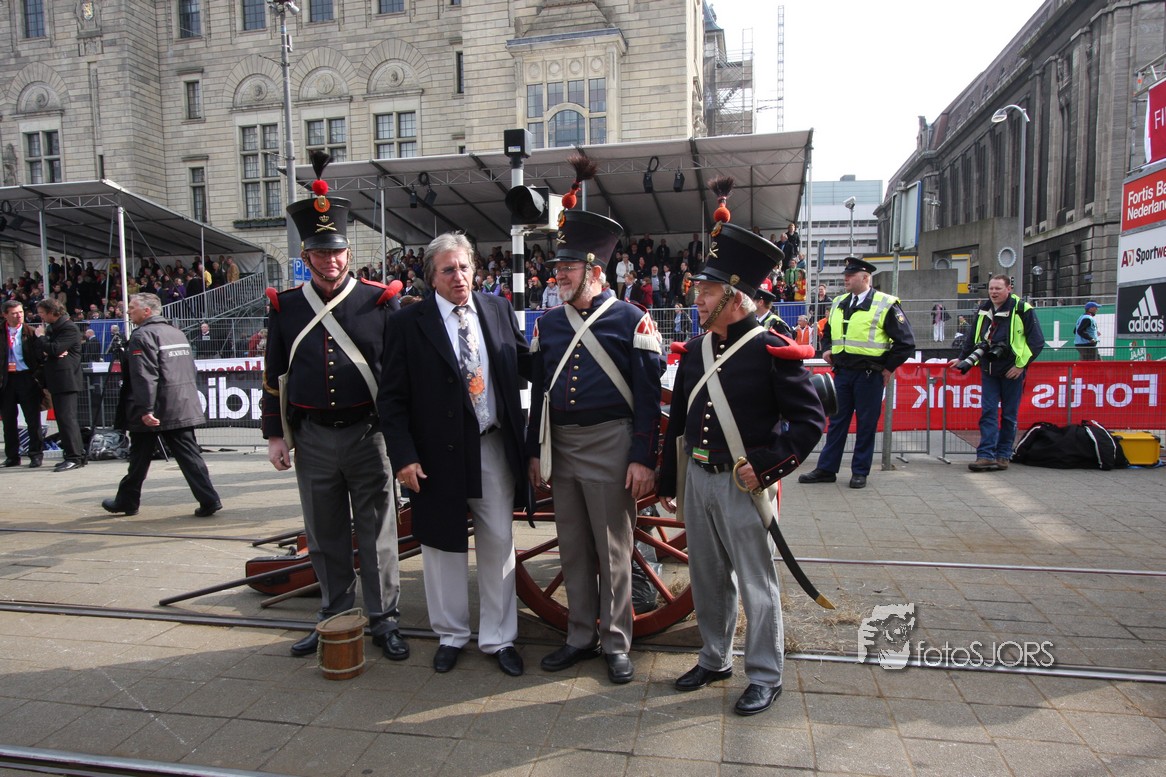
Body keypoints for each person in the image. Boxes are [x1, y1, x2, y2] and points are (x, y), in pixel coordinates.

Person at [656, 220, 825, 717]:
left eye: (707, 292)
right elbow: (678, 424)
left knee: (756, 582)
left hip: (741, 484)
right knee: (707, 577)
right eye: (699, 292)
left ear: (734, 297)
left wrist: (768, 467)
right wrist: (669, 479)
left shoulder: (771, 350)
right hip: (699, 479)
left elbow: (809, 421)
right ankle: (714, 658)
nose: (698, 301)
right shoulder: (695, 351)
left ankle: (766, 675)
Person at [262, 154, 408, 662]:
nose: (331, 261)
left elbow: (398, 378)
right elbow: (273, 375)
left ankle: (385, 620)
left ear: (349, 253)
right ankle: (334, 616)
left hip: (369, 434)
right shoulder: (286, 307)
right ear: (307, 255)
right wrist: (275, 435)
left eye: (338, 251)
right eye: (321, 253)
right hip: (313, 438)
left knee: (378, 534)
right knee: (324, 535)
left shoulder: (380, 301)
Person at [380, 232, 531, 677]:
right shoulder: (408, 323)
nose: (459, 277)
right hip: (435, 456)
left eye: (465, 267)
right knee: (442, 547)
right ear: (432, 277)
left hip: (492, 444)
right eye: (448, 270)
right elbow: (392, 399)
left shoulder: (497, 308)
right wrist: (403, 457)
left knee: (498, 542)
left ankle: (499, 638)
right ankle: (450, 635)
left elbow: (527, 362)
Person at [525, 208, 663, 685]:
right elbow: (539, 397)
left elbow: (648, 399)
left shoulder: (632, 320)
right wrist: (535, 451)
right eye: (558, 267)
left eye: (568, 267)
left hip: (611, 443)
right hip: (562, 445)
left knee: (613, 550)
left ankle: (617, 642)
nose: (558, 275)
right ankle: (580, 635)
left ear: (595, 270)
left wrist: (642, 457)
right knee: (573, 548)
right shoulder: (548, 324)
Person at [799, 256, 915, 489]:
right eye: (845, 275)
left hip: (869, 374)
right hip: (842, 373)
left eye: (851, 275)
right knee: (836, 422)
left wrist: (888, 368)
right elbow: (828, 331)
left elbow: (906, 343)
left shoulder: (885, 303)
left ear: (865, 278)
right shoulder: (839, 302)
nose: (846, 279)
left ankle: (860, 471)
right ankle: (826, 469)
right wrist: (827, 348)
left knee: (866, 424)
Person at [101, 293, 221, 516]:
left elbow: (145, 375)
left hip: (157, 407)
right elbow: (188, 368)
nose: (128, 311)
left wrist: (146, 409)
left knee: (140, 457)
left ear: (147, 311)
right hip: (179, 403)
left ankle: (128, 500)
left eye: (132, 307)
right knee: (186, 455)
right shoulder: (176, 332)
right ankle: (209, 499)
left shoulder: (142, 335)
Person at [948, 274, 1045, 472]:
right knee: (988, 412)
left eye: (998, 289)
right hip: (988, 368)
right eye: (991, 288)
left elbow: (1036, 342)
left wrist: (1020, 366)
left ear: (1009, 289)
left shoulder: (1023, 309)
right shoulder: (984, 309)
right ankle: (985, 455)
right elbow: (972, 335)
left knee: (1009, 415)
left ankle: (1003, 455)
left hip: (1012, 371)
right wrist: (963, 357)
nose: (993, 292)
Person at [34, 299, 86, 471]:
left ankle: (74, 457)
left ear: (52, 312)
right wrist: (48, 348)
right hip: (57, 380)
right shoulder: (53, 328)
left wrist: (43, 339)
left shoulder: (68, 328)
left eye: (42, 313)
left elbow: (54, 349)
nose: (40, 316)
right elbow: (47, 350)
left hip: (66, 380)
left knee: (67, 419)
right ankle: (75, 454)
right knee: (64, 420)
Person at [1, 300, 45, 468]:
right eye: (14, 313)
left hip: (26, 377)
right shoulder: (1, 332)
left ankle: (35, 454)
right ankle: (12, 456)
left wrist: (37, 377)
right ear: (5, 315)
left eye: (20, 312)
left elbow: (40, 357)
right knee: (8, 420)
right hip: (6, 379)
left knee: (32, 419)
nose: (19, 316)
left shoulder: (30, 332)